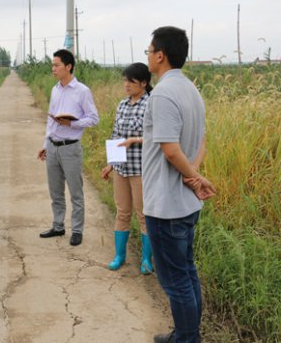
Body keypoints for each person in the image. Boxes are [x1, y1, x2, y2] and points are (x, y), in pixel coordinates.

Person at [142, 26, 216, 343]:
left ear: (160, 55)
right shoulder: (191, 90)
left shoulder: (162, 94)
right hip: (185, 203)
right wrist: (193, 175)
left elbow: (171, 150)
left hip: (167, 204)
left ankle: (187, 338)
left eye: (149, 51)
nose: (147, 56)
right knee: (186, 273)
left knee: (176, 281)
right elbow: (200, 142)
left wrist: (194, 177)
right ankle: (185, 334)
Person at [37, 49, 99, 246]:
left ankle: (77, 230)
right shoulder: (55, 89)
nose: (53, 68)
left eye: (56, 65)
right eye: (52, 65)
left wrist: (71, 123)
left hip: (70, 148)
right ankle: (58, 225)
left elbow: (93, 119)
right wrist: (45, 143)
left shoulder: (82, 91)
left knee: (75, 192)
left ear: (68, 66)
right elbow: (50, 120)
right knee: (55, 191)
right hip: (53, 146)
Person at [100, 62, 153, 274]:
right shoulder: (122, 105)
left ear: (143, 83)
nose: (126, 85)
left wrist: (135, 140)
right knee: (122, 211)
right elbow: (115, 136)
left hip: (141, 169)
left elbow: (157, 137)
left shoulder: (151, 104)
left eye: (130, 81)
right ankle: (119, 255)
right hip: (121, 168)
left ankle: (146, 260)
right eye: (125, 80)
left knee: (143, 214)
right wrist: (110, 164)